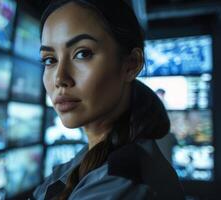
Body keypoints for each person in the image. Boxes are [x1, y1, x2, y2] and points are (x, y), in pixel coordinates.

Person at [33, 0, 185, 199]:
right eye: (49, 60)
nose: (60, 79)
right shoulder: (91, 159)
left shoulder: (121, 181)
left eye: (82, 53)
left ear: (131, 64)